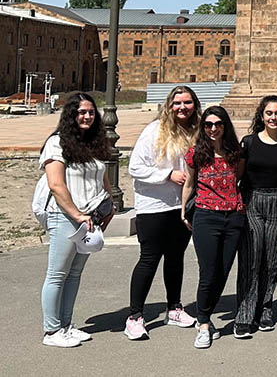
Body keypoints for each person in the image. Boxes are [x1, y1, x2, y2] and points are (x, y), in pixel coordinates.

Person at [39, 92, 115, 348]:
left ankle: (66, 325)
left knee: (74, 273)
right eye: (81, 112)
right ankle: (51, 330)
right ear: (71, 115)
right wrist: (76, 214)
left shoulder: (93, 143)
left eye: (91, 112)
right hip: (66, 216)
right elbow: (56, 184)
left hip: (89, 217)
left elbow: (101, 175)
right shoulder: (57, 143)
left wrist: (109, 204)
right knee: (57, 274)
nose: (87, 116)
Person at [124, 86, 200, 340]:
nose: (182, 107)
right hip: (154, 207)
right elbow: (135, 167)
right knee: (149, 259)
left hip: (181, 207)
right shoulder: (154, 131)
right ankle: (135, 316)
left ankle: (174, 308)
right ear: (169, 105)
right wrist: (167, 174)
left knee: (176, 258)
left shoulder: (195, 131)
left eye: (187, 102)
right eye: (177, 103)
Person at [234, 95, 277, 338]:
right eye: (269, 113)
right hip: (252, 200)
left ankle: (265, 308)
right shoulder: (249, 143)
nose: (273, 118)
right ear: (261, 116)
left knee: (271, 262)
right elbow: (238, 177)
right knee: (251, 260)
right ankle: (244, 313)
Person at [181, 106, 246, 348]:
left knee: (224, 270)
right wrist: (183, 210)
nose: (213, 129)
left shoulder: (234, 153)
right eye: (208, 124)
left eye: (218, 124)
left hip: (233, 217)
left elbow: (238, 179)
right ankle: (204, 322)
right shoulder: (196, 153)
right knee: (208, 272)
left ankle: (204, 313)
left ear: (225, 126)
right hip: (206, 216)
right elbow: (189, 183)